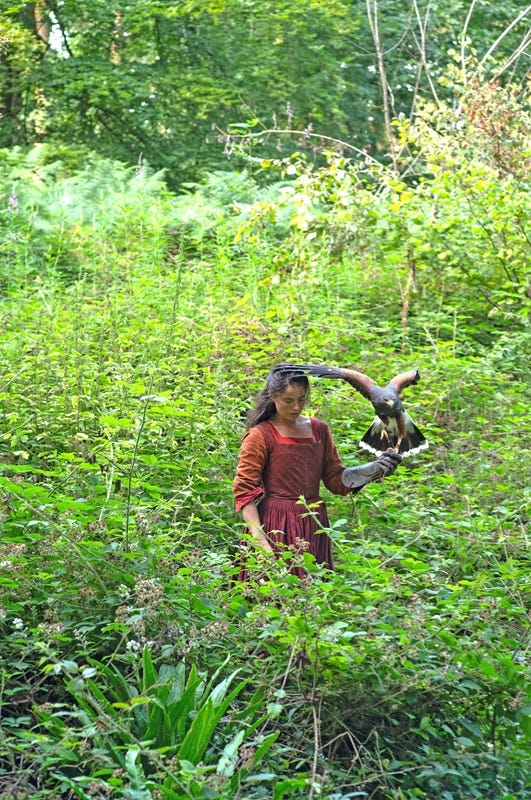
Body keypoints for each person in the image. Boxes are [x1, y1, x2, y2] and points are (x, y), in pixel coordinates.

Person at [233, 365, 401, 576]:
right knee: (274, 591)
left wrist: (374, 469)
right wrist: (260, 542)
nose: (296, 407)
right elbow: (244, 491)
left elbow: (336, 480)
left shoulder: (319, 429)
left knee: (312, 588)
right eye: (288, 400)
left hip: (313, 521)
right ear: (272, 396)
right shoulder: (260, 435)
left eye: (301, 399)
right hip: (275, 523)